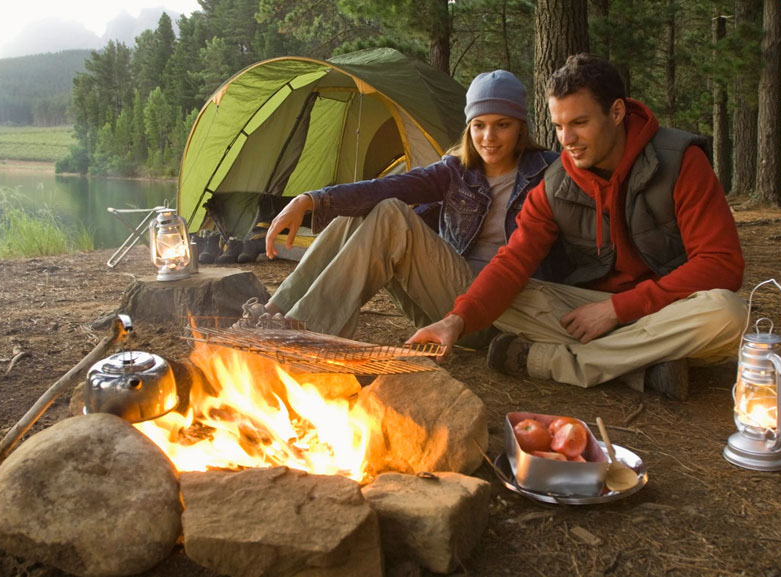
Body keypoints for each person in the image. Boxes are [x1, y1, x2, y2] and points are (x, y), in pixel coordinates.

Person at [407, 53, 747, 401]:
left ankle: (554, 362)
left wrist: (618, 310)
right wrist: (456, 321)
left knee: (728, 313)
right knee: (504, 298)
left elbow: (721, 264)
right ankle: (645, 361)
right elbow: (512, 263)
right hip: (588, 312)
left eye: (580, 123)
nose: (567, 139)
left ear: (616, 112)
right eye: (558, 126)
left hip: (667, 308)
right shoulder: (556, 184)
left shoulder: (679, 161)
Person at [252, 70, 568, 342]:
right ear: (469, 128)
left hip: (498, 315)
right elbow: (389, 185)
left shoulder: (548, 173)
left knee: (391, 213)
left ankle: (303, 331)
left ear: (520, 126)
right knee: (364, 209)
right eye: (479, 125)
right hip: (443, 304)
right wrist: (309, 199)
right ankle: (272, 314)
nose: (489, 137)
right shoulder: (456, 171)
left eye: (502, 125)